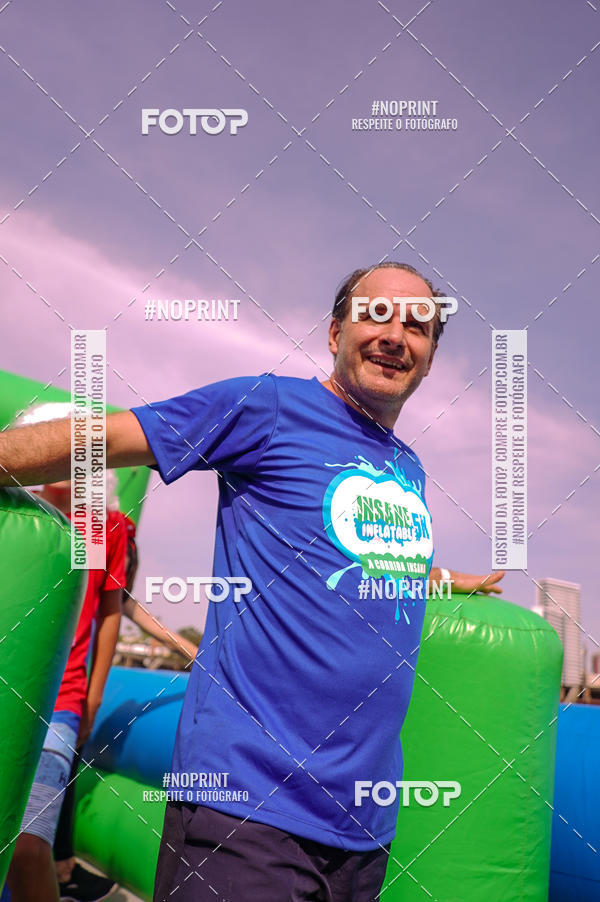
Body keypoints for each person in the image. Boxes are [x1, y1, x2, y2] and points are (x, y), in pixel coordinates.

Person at [0, 263, 504, 902]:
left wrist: (449, 579)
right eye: (375, 314)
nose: (395, 336)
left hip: (361, 829)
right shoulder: (269, 408)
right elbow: (112, 435)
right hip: (246, 810)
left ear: (429, 359)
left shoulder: (408, 466)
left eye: (417, 327)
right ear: (335, 332)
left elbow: (364, 562)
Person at [5, 405, 128, 902]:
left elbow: (111, 611)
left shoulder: (108, 527)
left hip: (61, 700)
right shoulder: (13, 512)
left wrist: (93, 697)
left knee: (28, 844)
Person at [54, 521, 197, 902]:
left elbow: (146, 620)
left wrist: (197, 654)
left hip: (74, 687)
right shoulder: (81, 552)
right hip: (60, 683)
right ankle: (59, 865)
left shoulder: (111, 585)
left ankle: (61, 863)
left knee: (64, 770)